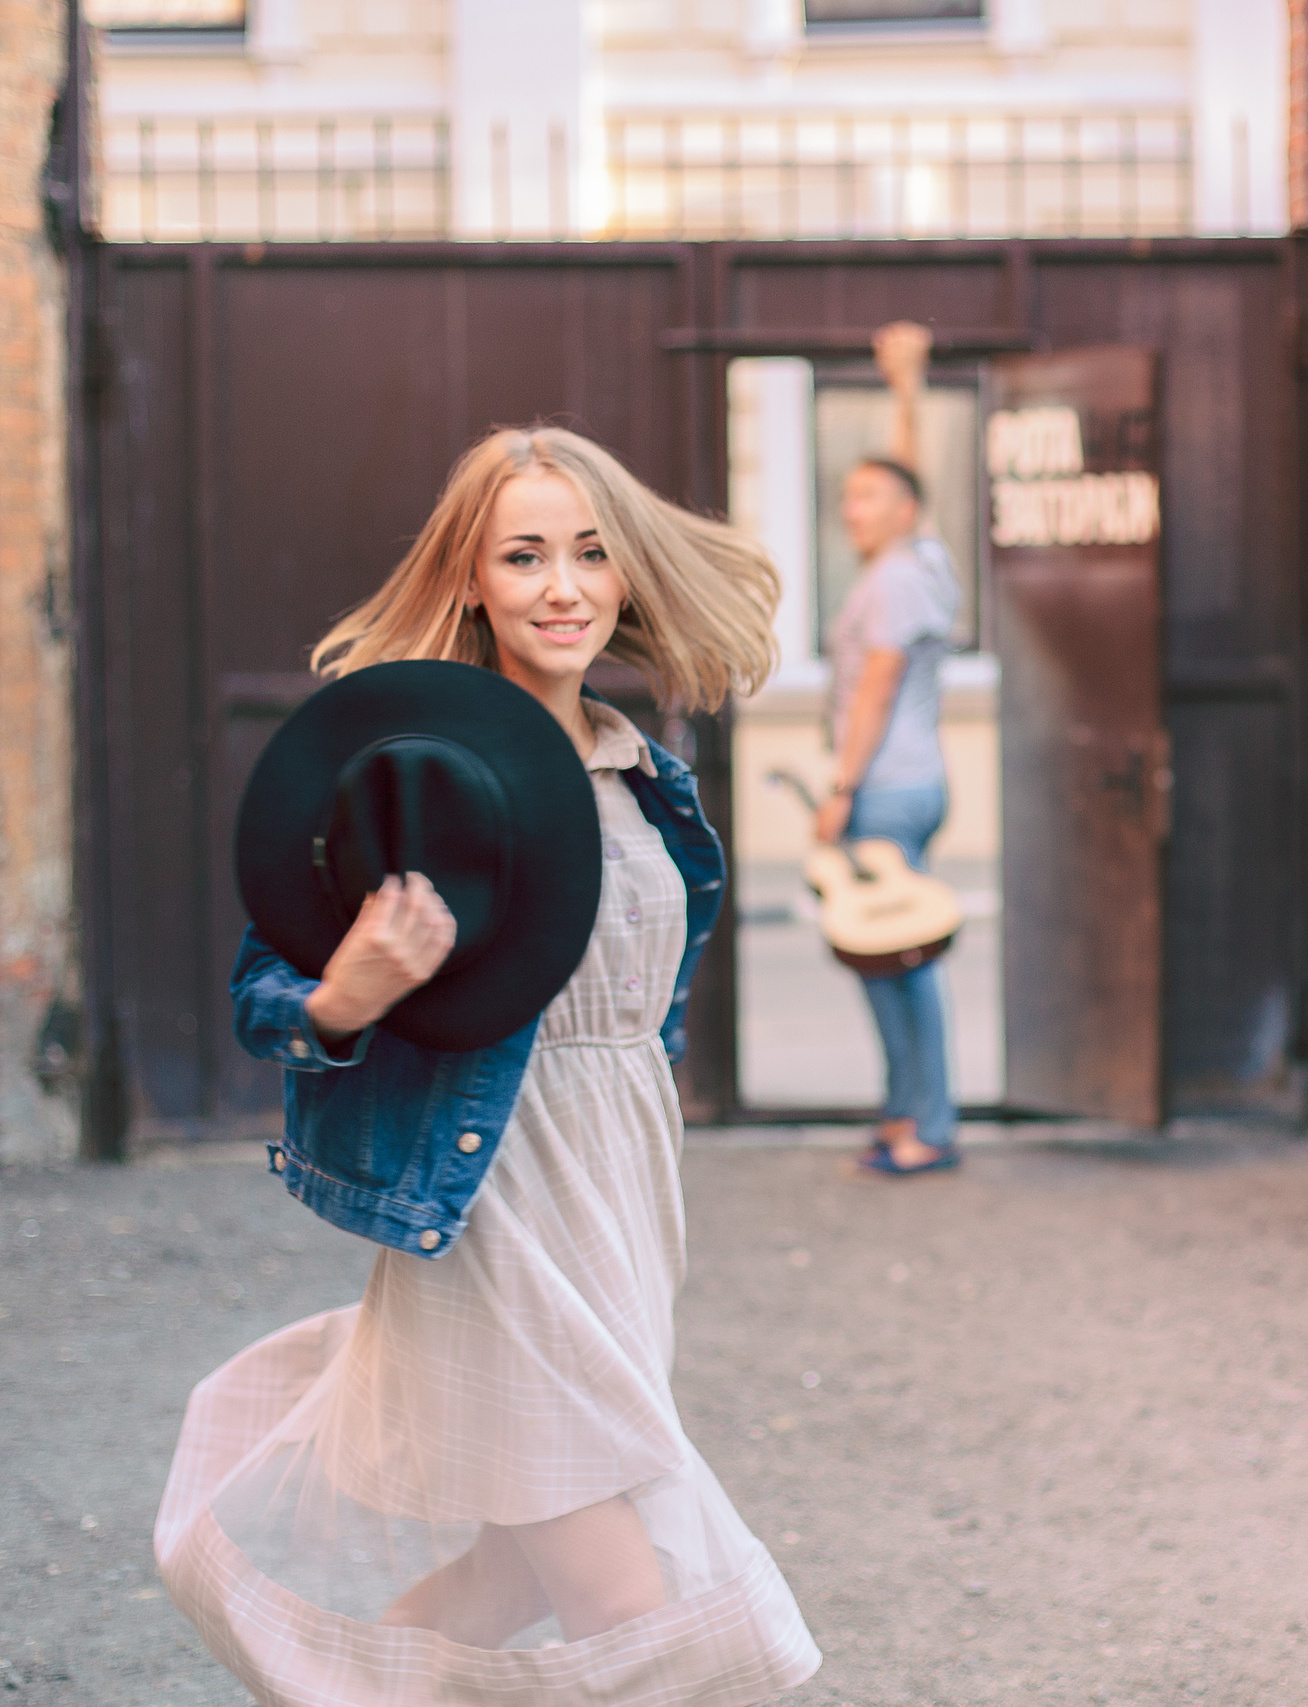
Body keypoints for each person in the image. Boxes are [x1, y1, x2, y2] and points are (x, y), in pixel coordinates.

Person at [155, 427, 820, 1704]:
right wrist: (349, 995)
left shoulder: (646, 781)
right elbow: (265, 997)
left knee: (503, 1582)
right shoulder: (418, 779)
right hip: (493, 1215)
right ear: (471, 578)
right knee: (639, 1610)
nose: (561, 586)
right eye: (524, 556)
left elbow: (634, 1025)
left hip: (621, 1209)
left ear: (626, 575)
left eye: (589, 553)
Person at [817, 321, 964, 1178]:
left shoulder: (899, 575)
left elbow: (876, 686)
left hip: (884, 785)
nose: (851, 506)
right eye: (848, 494)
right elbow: (912, 478)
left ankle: (931, 1123)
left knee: (901, 959)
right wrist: (905, 385)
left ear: (900, 513)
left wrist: (840, 785)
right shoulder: (920, 560)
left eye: (867, 496)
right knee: (882, 954)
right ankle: (907, 1107)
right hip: (908, 780)